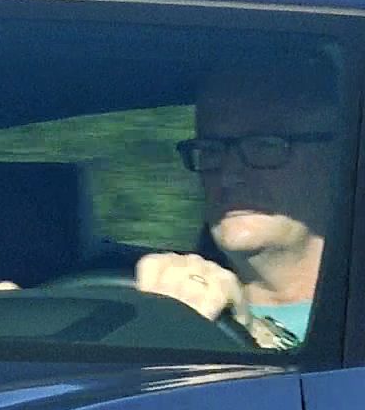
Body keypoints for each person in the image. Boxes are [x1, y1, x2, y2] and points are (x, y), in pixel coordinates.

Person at [131, 54, 342, 350]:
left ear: (340, 158)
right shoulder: (152, 304)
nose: (228, 175)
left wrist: (248, 335)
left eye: (264, 145)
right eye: (211, 149)